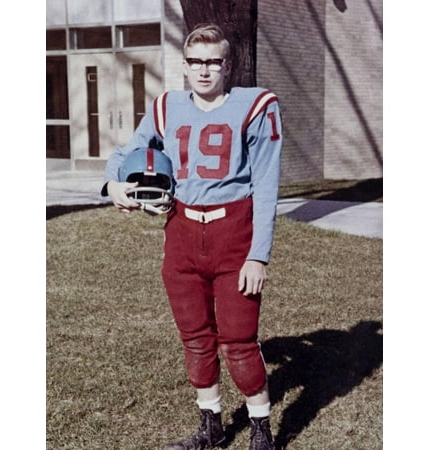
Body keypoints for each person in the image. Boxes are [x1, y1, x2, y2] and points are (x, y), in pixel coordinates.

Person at [101, 23, 282, 450]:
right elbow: (128, 150)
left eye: (213, 62)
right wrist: (112, 182)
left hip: (233, 232)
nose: (204, 71)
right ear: (184, 66)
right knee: (196, 337)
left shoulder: (255, 105)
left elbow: (268, 185)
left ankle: (261, 429)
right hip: (182, 232)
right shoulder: (167, 106)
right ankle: (211, 425)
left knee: (238, 338)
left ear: (227, 64)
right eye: (196, 62)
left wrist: (259, 255)